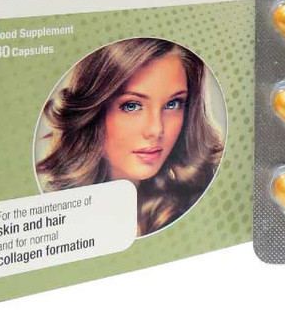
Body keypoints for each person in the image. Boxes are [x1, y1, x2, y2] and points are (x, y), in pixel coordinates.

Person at [37, 38, 223, 235]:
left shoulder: (197, 207)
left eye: (173, 104)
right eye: (131, 106)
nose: (156, 130)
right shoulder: (57, 219)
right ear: (91, 111)